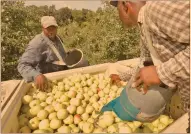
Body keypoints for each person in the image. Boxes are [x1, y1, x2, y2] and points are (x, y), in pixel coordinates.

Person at [102, 1, 189, 132]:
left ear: (125, 5)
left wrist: (161, 73)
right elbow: (146, 65)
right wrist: (122, 76)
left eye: (116, 6)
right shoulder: (145, 28)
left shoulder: (156, 10)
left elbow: (157, 71)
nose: (116, 13)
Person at [18, 16, 89, 90]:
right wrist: (36, 75)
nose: (51, 31)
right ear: (42, 28)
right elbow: (22, 65)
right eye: (48, 28)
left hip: (63, 79)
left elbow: (58, 55)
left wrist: (69, 54)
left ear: (56, 27)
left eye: (53, 28)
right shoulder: (37, 43)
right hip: (49, 82)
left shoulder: (57, 38)